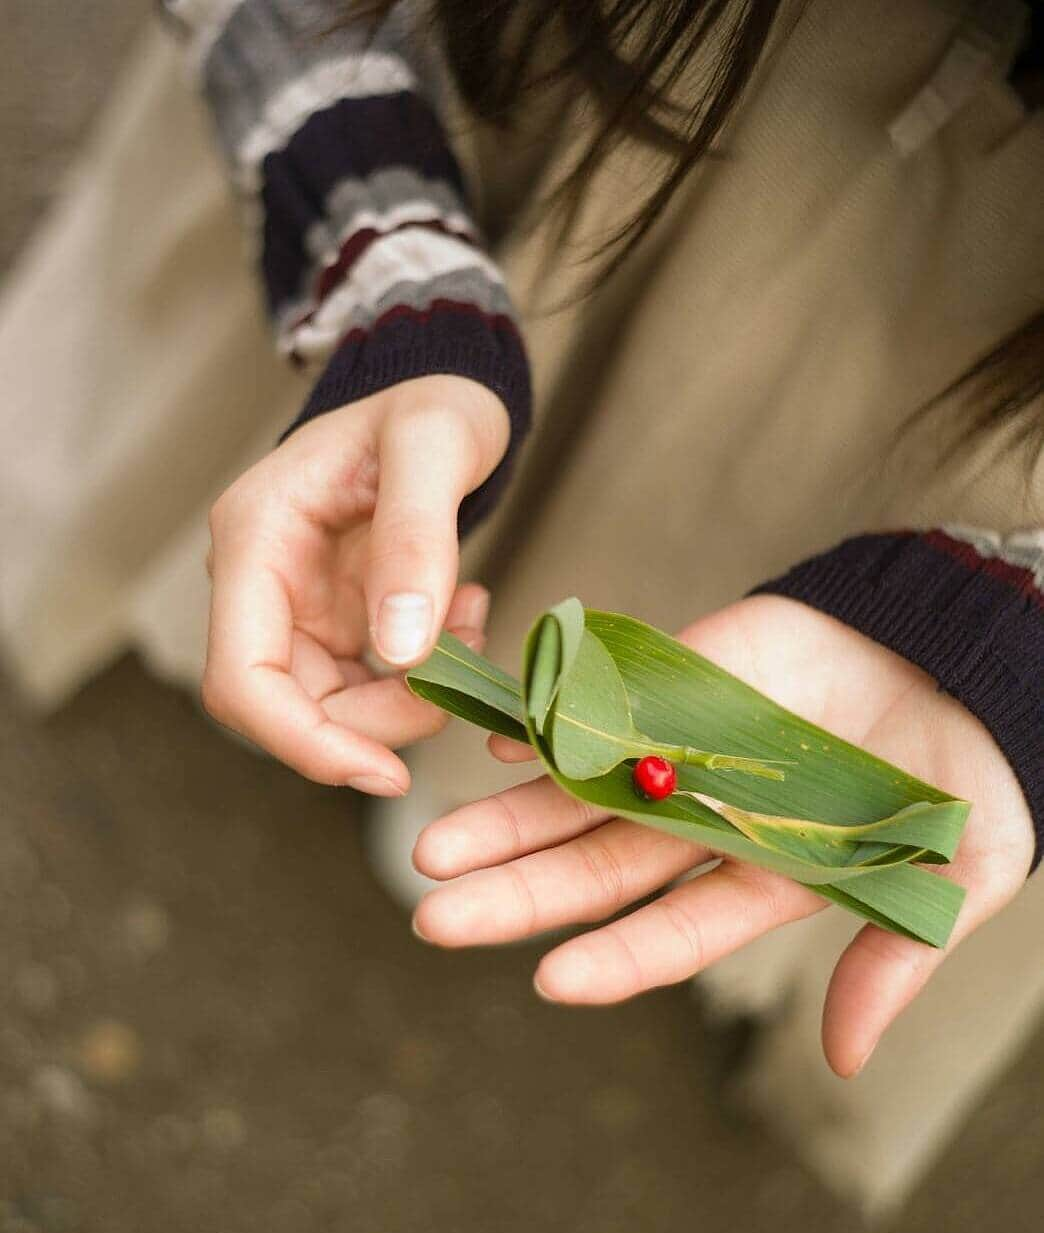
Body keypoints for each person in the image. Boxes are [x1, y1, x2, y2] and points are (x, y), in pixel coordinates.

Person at [180, 0, 1042, 1085]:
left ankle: (485, 782)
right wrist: (396, 283)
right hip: (612, 85)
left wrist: (1019, 642)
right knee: (448, 512)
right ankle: (451, 763)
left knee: (699, 572)